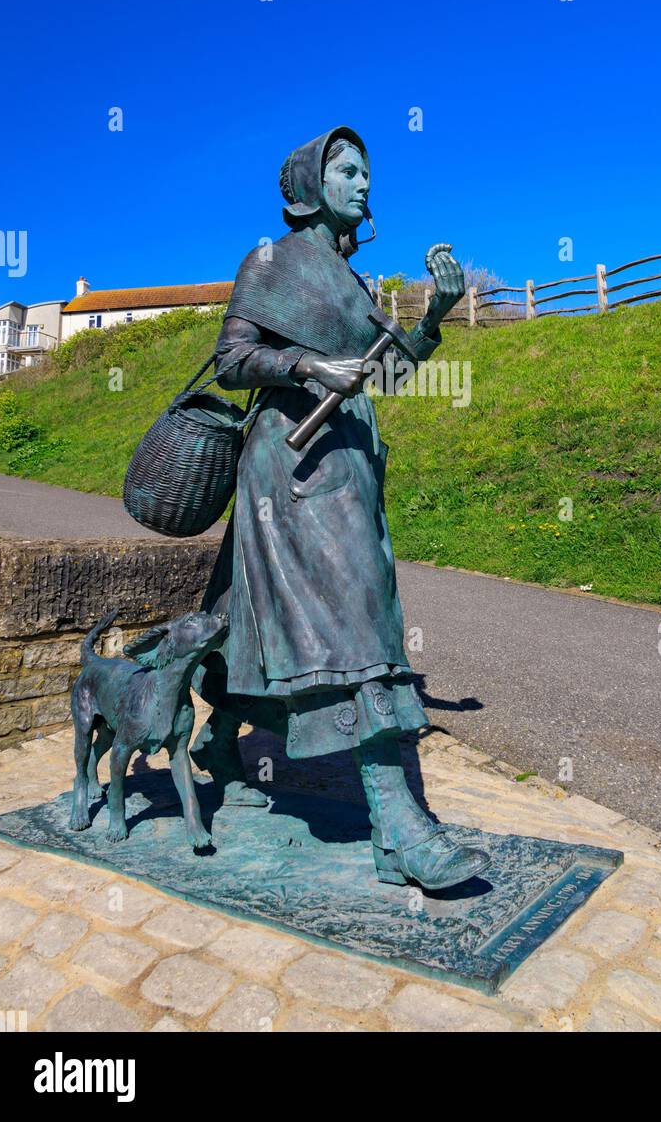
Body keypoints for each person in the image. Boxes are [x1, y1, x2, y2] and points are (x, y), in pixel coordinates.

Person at [191, 126, 489, 891]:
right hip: (290, 464)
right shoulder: (271, 262)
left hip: (350, 464)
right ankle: (398, 826)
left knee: (278, 614)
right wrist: (304, 363)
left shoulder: (354, 284)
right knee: (355, 624)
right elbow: (231, 362)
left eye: (367, 173)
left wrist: (432, 321)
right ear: (311, 182)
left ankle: (222, 738)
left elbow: (384, 377)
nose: (363, 183)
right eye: (348, 170)